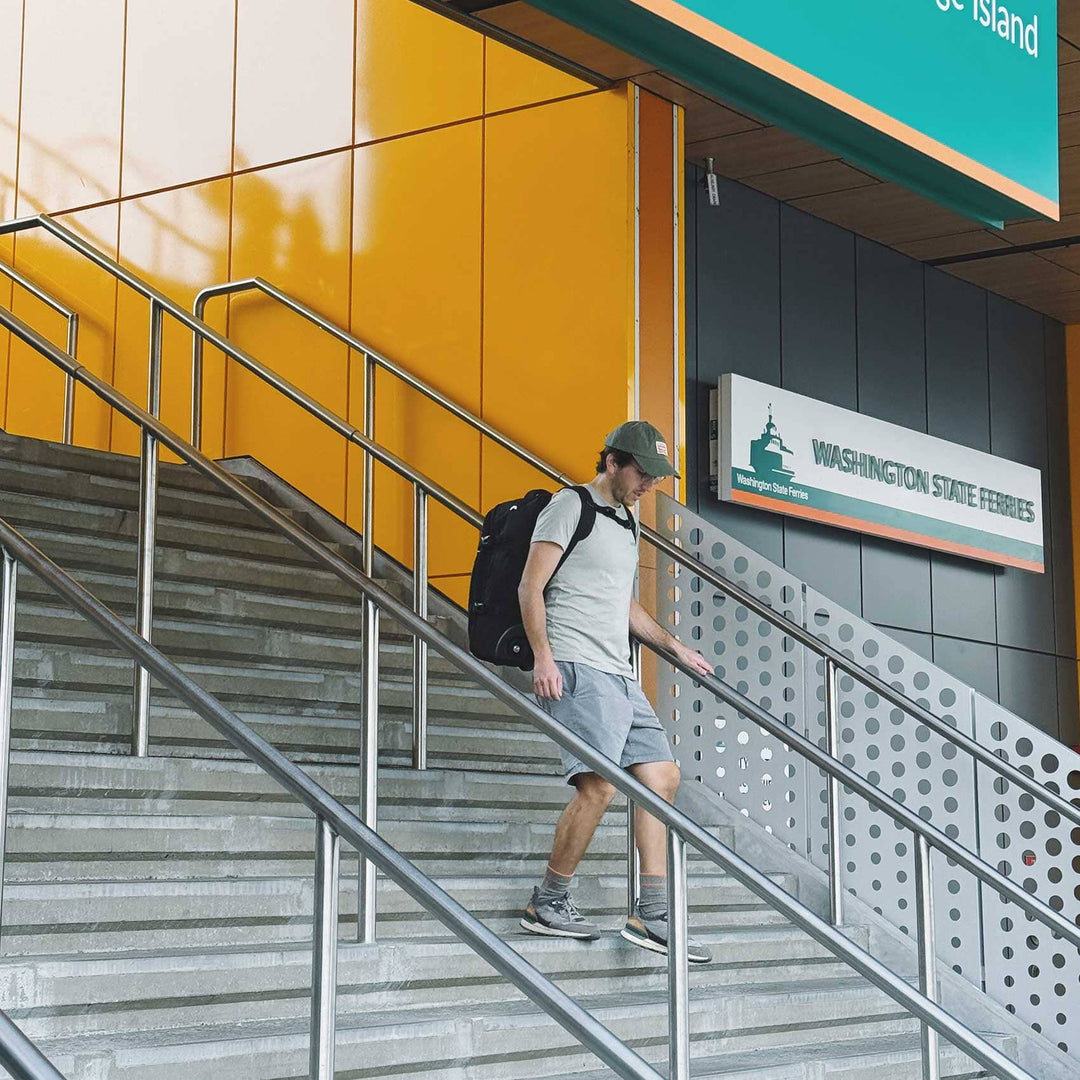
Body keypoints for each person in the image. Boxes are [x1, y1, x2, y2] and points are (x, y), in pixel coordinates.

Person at [517, 420, 715, 963]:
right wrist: (543, 656)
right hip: (576, 666)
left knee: (661, 776)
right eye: (642, 474)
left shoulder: (628, 520)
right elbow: (531, 585)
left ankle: (651, 913)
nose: (649, 485)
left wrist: (675, 648)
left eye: (656, 477)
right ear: (612, 462)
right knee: (598, 786)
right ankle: (547, 901)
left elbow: (620, 604)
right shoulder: (569, 507)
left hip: (619, 672)